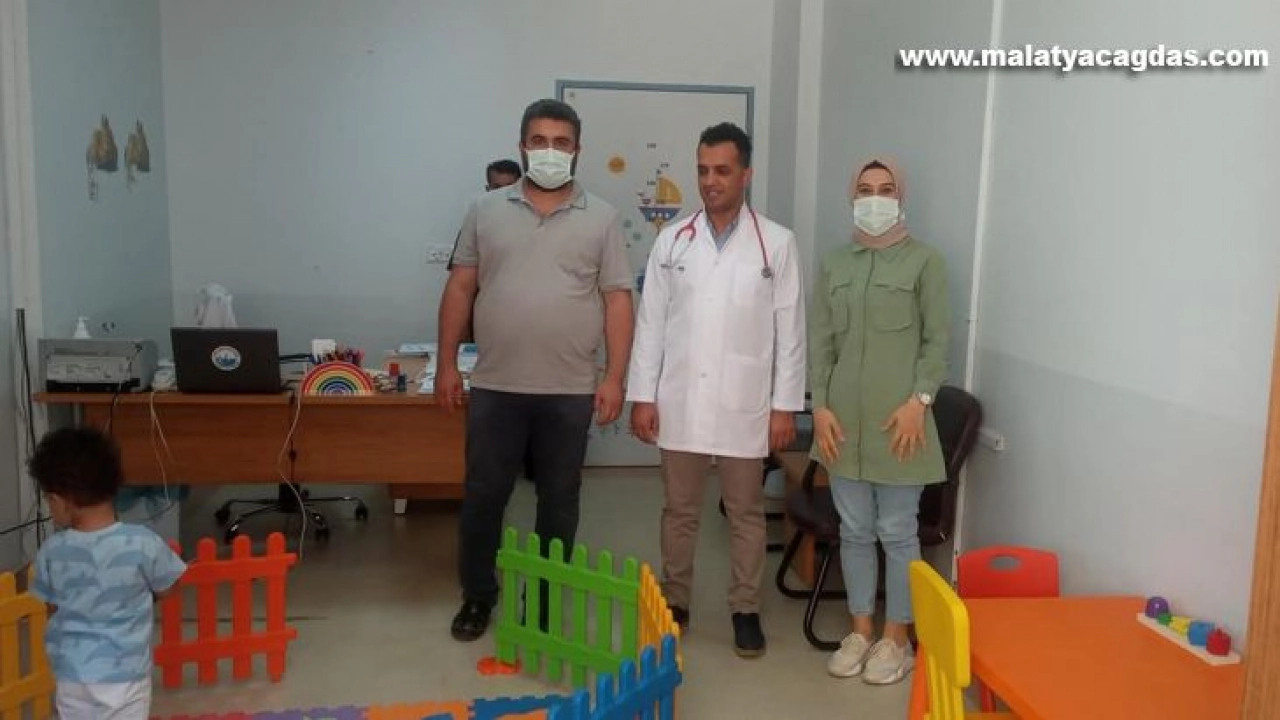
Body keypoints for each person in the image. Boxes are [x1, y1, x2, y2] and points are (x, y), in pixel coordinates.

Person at [437, 98, 634, 642]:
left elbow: (617, 300)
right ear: (523, 145)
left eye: (561, 142)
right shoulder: (485, 210)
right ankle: (478, 596)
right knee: (484, 497)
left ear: (577, 150)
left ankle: (545, 598)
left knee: (559, 503)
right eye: (540, 141)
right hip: (496, 385)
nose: (550, 151)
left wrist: (614, 377)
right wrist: (448, 363)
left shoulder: (602, 217)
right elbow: (460, 287)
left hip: (569, 390)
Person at [627, 122, 806, 658]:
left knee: (745, 512)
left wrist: (784, 407)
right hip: (680, 398)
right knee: (679, 510)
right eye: (703, 170)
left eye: (722, 170)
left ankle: (745, 608)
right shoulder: (672, 240)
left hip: (744, 403)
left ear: (745, 174)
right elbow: (651, 324)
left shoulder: (776, 243)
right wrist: (643, 395)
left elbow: (790, 331)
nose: (710, 181)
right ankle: (676, 600)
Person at [809, 157, 949, 685]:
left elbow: (936, 342)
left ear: (900, 198)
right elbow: (822, 343)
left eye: (885, 189)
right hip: (842, 425)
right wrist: (821, 406)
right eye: (865, 189)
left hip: (901, 425)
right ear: (853, 198)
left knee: (897, 532)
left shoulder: (925, 262)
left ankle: (897, 639)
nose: (875, 199)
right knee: (854, 531)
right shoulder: (834, 264)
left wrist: (920, 401)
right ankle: (860, 631)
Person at [27, 427, 188, 719]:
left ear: (60, 500)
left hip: (72, 677)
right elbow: (170, 588)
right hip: (127, 675)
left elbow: (51, 607)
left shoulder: (51, 551)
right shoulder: (143, 542)